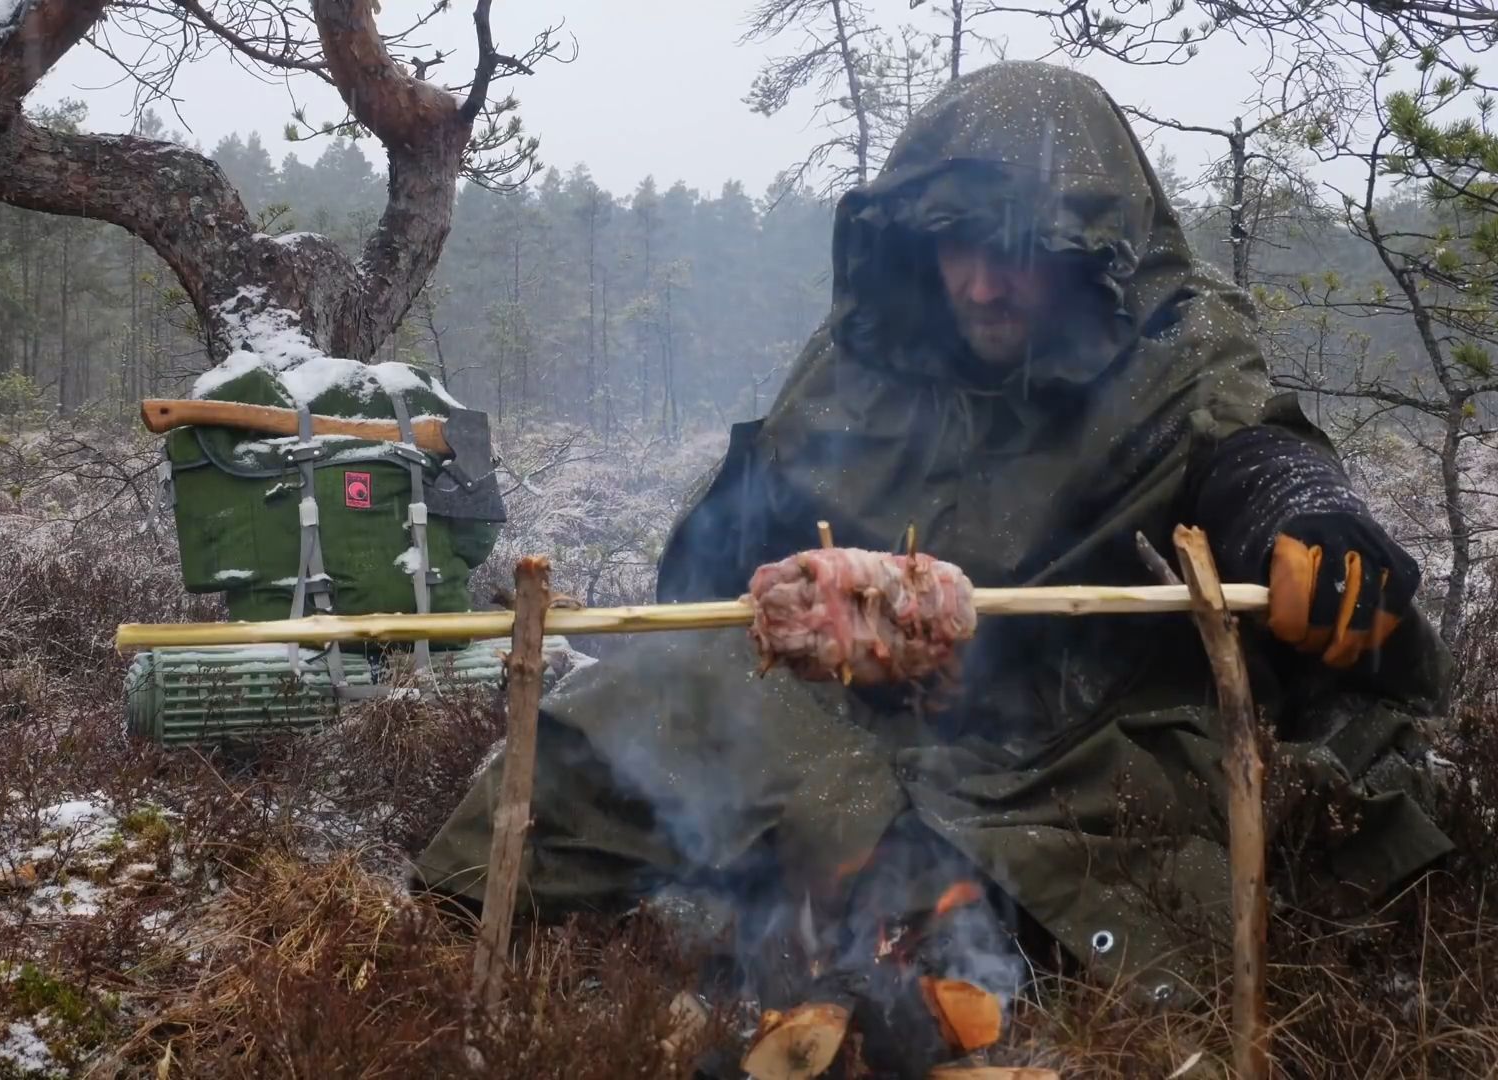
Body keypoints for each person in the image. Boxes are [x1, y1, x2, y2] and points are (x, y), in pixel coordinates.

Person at [414, 61, 1451, 1017]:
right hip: (859, 719)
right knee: (612, 726)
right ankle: (443, 942)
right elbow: (732, 545)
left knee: (1079, 865)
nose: (985, 285)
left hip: (1074, 732)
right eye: (961, 244)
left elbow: (1250, 448)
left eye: (1020, 250)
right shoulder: (871, 352)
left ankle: (927, 959)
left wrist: (1308, 517)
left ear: (1088, 247)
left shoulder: (1172, 340)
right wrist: (772, 575)